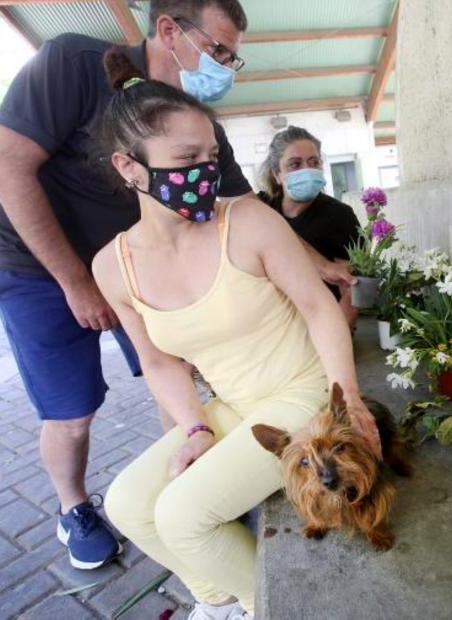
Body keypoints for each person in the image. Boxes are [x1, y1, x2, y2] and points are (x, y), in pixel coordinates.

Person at [0, 0, 295, 570]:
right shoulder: (70, 63)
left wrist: (314, 263)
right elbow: (6, 166)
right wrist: (76, 282)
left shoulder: (196, 124)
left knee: (173, 372)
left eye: (232, 58)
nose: (223, 66)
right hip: (37, 266)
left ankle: (189, 479)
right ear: (169, 30)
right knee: (71, 415)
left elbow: (244, 203)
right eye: (218, 50)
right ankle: (74, 508)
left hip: (132, 268)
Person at [91, 50, 380, 620]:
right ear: (130, 167)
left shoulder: (247, 221)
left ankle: (269, 607)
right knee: (128, 505)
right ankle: (222, 600)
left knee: (183, 515)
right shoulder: (112, 265)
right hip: (233, 403)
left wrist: (346, 399)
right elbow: (159, 363)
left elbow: (319, 310)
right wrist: (195, 428)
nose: (206, 170)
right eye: (187, 157)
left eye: (212, 156)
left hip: (304, 394)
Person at [256, 126, 361, 329]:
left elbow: (353, 289)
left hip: (320, 326)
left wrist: (336, 334)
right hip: (271, 327)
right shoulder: (262, 208)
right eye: (295, 164)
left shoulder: (340, 215)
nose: (306, 170)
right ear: (277, 174)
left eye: (313, 162)